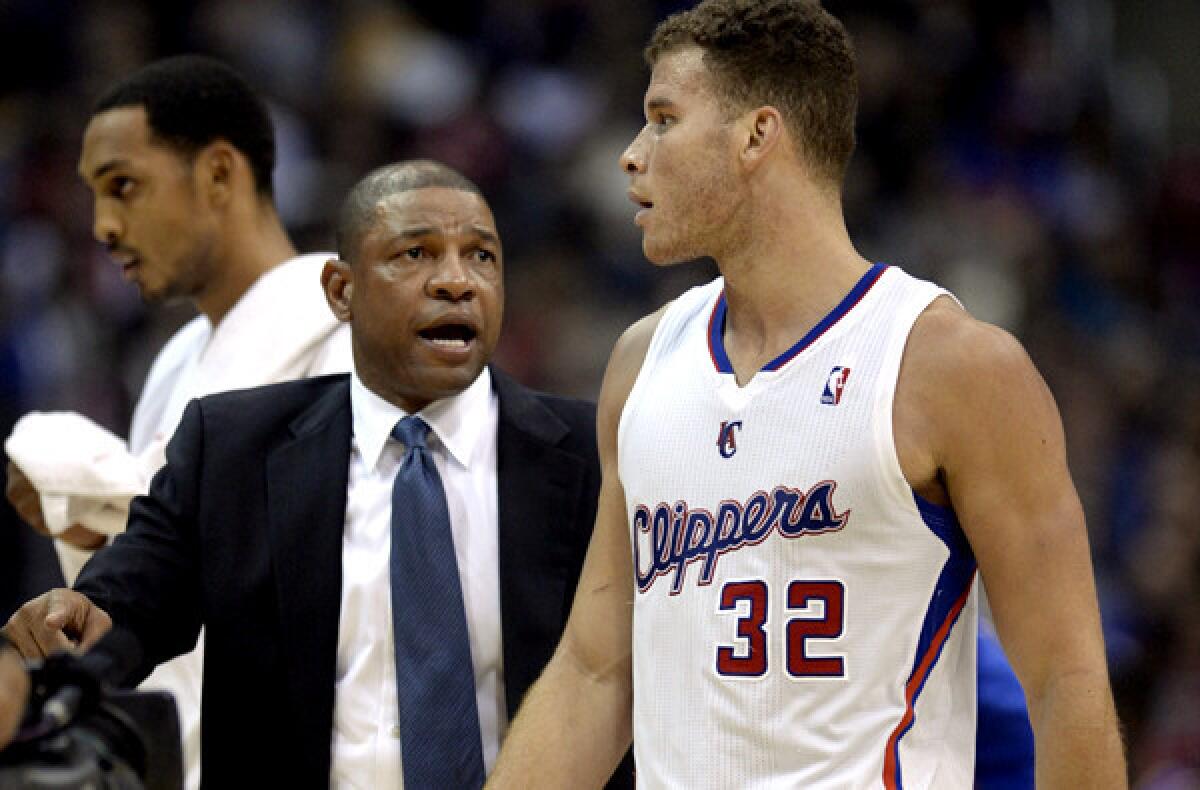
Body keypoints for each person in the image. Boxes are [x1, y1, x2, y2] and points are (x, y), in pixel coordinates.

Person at [487, 1, 1125, 787]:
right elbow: (594, 675)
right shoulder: (642, 360)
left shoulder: (949, 365)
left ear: (757, 135)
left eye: (662, 119)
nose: (631, 154)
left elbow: (1066, 685)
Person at [3, 160, 634, 790]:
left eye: (482, 258)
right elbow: (135, 599)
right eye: (415, 253)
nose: (455, 281)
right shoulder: (233, 448)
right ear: (341, 290)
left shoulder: (591, 454)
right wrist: (79, 614)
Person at [2, 55, 351, 788]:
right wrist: (91, 527)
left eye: (124, 186)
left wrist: (114, 494)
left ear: (219, 173)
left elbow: (349, 585)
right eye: (94, 195)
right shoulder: (176, 360)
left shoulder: (342, 341)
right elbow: (169, 582)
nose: (102, 225)